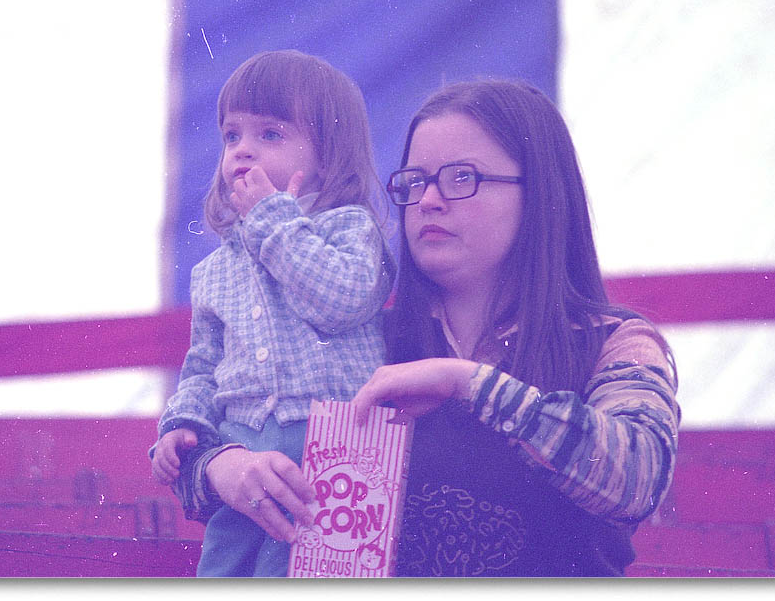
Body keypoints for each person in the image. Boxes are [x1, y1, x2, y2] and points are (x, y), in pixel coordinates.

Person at [169, 79, 681, 577]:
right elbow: (220, 436)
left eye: (462, 177)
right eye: (415, 183)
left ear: (541, 193)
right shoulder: (364, 341)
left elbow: (637, 479)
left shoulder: (614, 341)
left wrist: (467, 383)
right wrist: (222, 466)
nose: (429, 200)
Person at [150, 49, 394, 577]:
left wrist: (272, 219)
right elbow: (201, 367)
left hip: (336, 447)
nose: (243, 151)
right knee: (225, 569)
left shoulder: (349, 229)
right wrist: (183, 422)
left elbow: (341, 302)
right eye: (232, 136)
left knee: (309, 572)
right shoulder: (215, 270)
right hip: (244, 447)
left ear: (328, 156)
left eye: (271, 135)